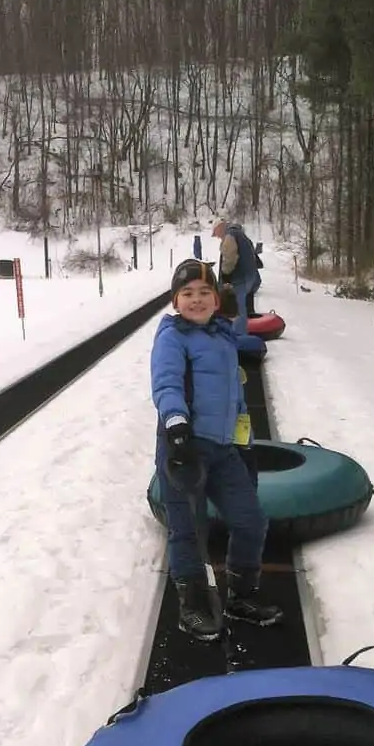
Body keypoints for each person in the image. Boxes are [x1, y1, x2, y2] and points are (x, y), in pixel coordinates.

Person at [151, 258, 282, 640]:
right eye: (187, 293)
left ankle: (241, 596)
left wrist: (244, 439)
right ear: (176, 301)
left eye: (204, 292)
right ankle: (191, 605)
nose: (196, 299)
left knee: (250, 519)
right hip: (184, 445)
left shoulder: (223, 335)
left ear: (215, 297)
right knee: (189, 528)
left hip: (225, 449)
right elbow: (166, 383)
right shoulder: (172, 337)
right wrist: (176, 428)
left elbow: (235, 394)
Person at [212, 218, 261, 336]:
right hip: (248, 277)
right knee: (241, 308)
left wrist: (226, 276)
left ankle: (238, 337)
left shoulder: (230, 235)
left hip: (238, 278)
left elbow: (229, 257)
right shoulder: (241, 235)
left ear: (220, 227)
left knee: (237, 309)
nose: (217, 237)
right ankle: (239, 333)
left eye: (216, 233)